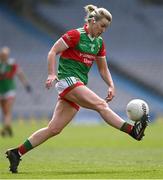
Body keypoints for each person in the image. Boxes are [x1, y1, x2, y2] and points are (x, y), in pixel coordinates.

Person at [6, 5, 149, 173]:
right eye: (102, 26)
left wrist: (111, 84)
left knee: (54, 129)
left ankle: (17, 152)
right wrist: (51, 74)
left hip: (77, 84)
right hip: (67, 81)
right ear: (93, 21)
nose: (104, 30)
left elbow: (103, 69)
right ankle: (132, 131)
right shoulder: (75, 35)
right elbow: (53, 52)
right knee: (101, 105)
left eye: (106, 27)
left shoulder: (99, 43)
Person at [0, 46, 32, 137]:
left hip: (10, 90)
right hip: (1, 92)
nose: (4, 57)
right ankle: (8, 127)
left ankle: (5, 127)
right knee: (5, 111)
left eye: (5, 55)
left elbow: (20, 73)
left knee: (8, 111)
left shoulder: (12, 64)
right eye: (2, 55)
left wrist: (26, 84)